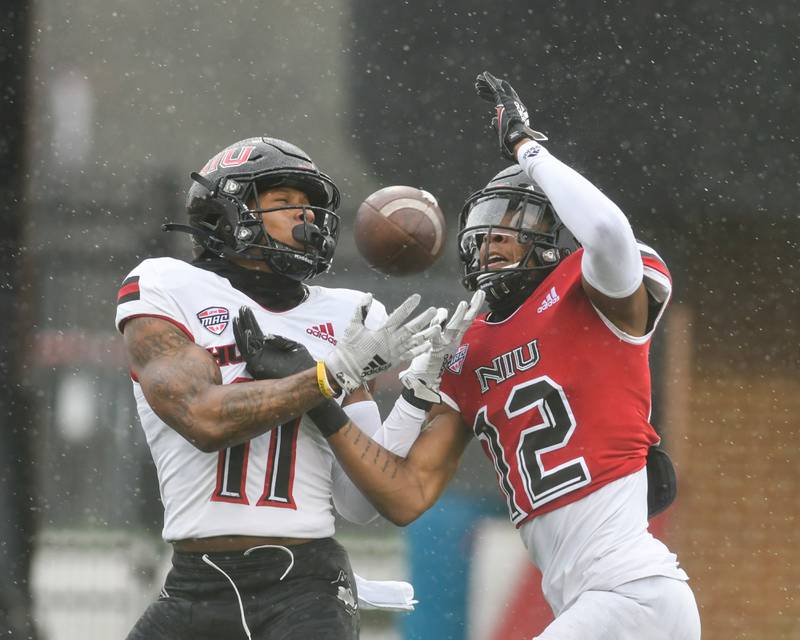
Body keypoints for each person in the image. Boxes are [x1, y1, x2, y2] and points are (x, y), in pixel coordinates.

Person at [234, 74, 701, 639]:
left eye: (517, 224)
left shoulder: (592, 294)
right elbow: (395, 497)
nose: (493, 240)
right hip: (592, 602)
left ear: (557, 230)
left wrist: (525, 147)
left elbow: (605, 228)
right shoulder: (468, 348)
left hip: (631, 592)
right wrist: (335, 394)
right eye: (485, 230)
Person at [115, 135, 471, 640]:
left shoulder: (346, 314)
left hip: (304, 584)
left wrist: (415, 396)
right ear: (226, 212)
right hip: (195, 584)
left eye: (311, 207)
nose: (307, 220)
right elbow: (204, 417)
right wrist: (328, 377)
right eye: (284, 204)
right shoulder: (167, 285)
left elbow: (359, 502)